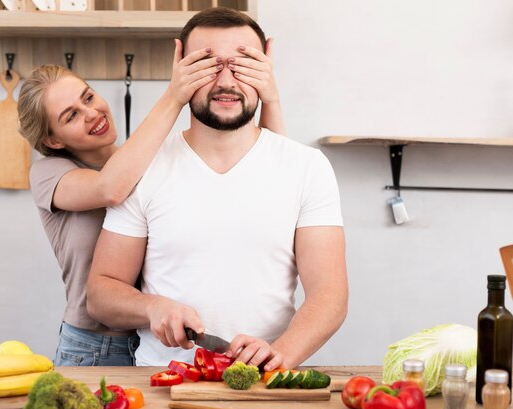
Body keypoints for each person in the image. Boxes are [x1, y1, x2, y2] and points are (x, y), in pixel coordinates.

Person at [86, 7, 348, 371]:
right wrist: (152, 307)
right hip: (164, 383)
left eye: (243, 64)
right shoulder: (144, 167)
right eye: (208, 66)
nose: (226, 81)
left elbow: (329, 295)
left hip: (267, 380)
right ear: (181, 69)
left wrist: (281, 354)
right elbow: (101, 293)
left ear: (265, 70)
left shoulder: (308, 167)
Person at [17, 33, 286, 366]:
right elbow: (109, 189)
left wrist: (270, 98)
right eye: (70, 116)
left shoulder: (141, 158)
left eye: (88, 97)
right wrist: (175, 95)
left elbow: (274, 167)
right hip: (95, 344)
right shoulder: (50, 173)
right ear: (52, 139)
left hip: (153, 341)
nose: (91, 113)